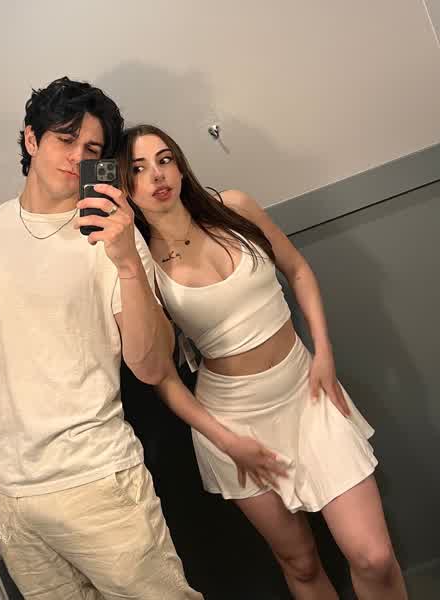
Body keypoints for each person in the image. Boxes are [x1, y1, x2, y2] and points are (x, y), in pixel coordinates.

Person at [0, 79, 203, 600]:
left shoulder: (114, 235)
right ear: (32, 139)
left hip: (100, 481)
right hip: (8, 495)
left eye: (92, 149)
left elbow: (150, 365)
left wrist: (127, 262)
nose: (77, 157)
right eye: (65, 139)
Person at [116, 124, 408, 599]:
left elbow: (298, 270)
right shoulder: (140, 264)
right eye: (138, 169)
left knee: (372, 556)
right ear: (124, 187)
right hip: (233, 420)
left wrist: (324, 355)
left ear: (181, 166)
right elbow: (162, 378)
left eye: (165, 160)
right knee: (300, 563)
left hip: (306, 390)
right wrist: (228, 441)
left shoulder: (233, 207)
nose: (157, 175)